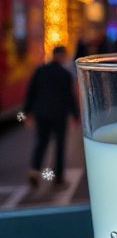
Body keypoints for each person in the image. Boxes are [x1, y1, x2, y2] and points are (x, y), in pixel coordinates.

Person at [24, 46, 80, 188]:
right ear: (61, 56)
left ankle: (34, 171)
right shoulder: (65, 74)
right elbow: (69, 97)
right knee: (59, 145)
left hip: (41, 114)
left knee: (41, 143)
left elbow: (31, 92)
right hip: (59, 115)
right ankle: (58, 177)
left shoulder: (40, 71)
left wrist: (27, 113)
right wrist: (75, 116)